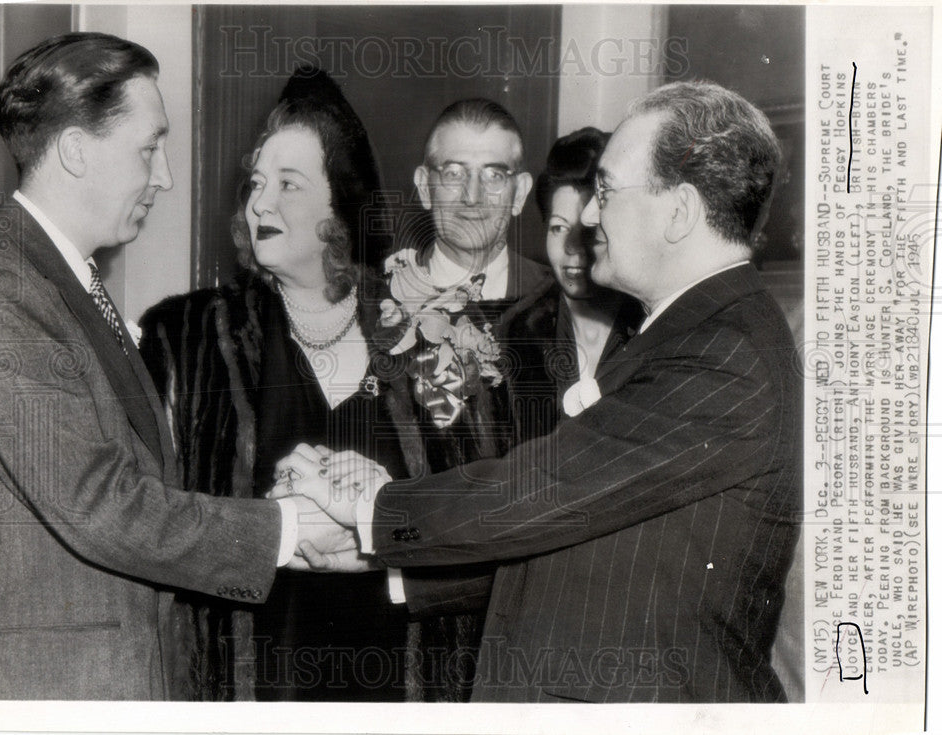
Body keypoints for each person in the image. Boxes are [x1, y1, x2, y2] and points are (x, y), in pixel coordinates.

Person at [287, 80, 802, 703]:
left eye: (606, 191)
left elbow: (548, 488)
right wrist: (387, 564)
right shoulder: (693, 332)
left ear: (680, 211)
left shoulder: (724, 354)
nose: (588, 215)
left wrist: (377, 509)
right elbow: (593, 542)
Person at [0, 33, 344, 701]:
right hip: (51, 696)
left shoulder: (57, 281)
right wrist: (287, 528)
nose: (162, 175)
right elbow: (99, 504)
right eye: (149, 148)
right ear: (76, 150)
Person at [139, 67, 407, 701]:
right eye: (257, 183)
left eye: (289, 184)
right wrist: (277, 513)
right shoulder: (187, 335)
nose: (260, 203)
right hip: (249, 675)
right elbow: (148, 514)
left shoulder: (418, 329)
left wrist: (382, 505)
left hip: (396, 671)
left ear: (341, 204)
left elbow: (470, 505)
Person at [381, 98, 556, 701]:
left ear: (520, 189)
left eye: (495, 174)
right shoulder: (371, 309)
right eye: (454, 173)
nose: (474, 195)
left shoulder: (561, 310)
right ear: (425, 187)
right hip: (395, 625)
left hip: (528, 617)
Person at [505, 127, 642, 438]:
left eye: (588, 230)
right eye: (557, 228)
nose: (570, 248)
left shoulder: (652, 325)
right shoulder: (516, 332)